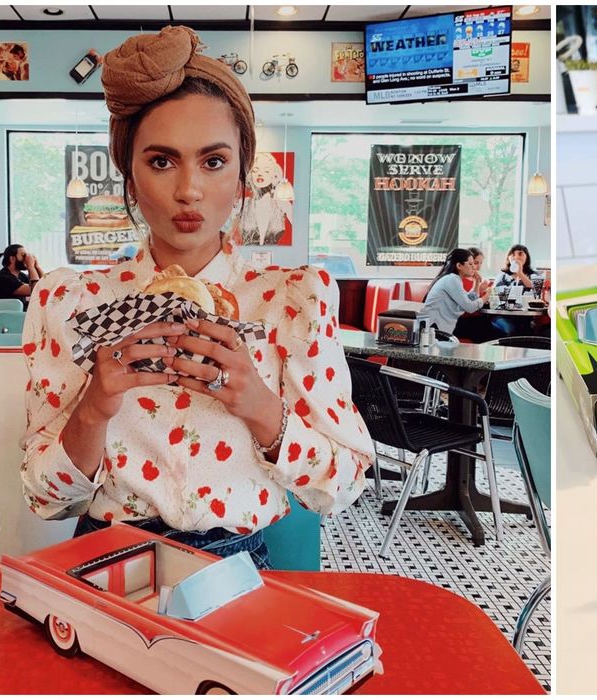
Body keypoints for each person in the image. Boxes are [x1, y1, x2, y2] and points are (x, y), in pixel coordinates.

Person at [19, 26, 374, 570]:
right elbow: (45, 500)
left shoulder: (291, 302)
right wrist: (94, 408)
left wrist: (259, 405)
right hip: (104, 564)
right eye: (161, 161)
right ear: (129, 179)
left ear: (241, 178)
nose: (188, 190)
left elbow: (342, 486)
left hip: (238, 574)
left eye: (213, 162)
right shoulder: (72, 302)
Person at [420, 248, 498, 342]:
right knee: (485, 327)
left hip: (443, 328)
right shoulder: (451, 279)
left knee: (484, 325)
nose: (474, 267)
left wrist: (477, 282)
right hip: (435, 329)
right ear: (459, 265)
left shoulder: (454, 279)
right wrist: (488, 295)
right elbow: (470, 307)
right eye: (470, 264)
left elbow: (470, 299)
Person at [489, 244, 542, 337]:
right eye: (513, 254)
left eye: (520, 254)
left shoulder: (534, 275)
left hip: (525, 317)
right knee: (511, 330)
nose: (516, 257)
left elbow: (536, 291)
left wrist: (520, 273)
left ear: (527, 257)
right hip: (503, 315)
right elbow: (495, 295)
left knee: (528, 332)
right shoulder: (502, 276)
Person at [0, 244, 44, 308]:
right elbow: (36, 290)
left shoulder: (21, 275)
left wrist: (37, 266)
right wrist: (30, 267)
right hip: (7, 314)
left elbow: (45, 285)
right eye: (23, 255)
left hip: (17, 311)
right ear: (12, 259)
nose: (26, 258)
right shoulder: (4, 278)